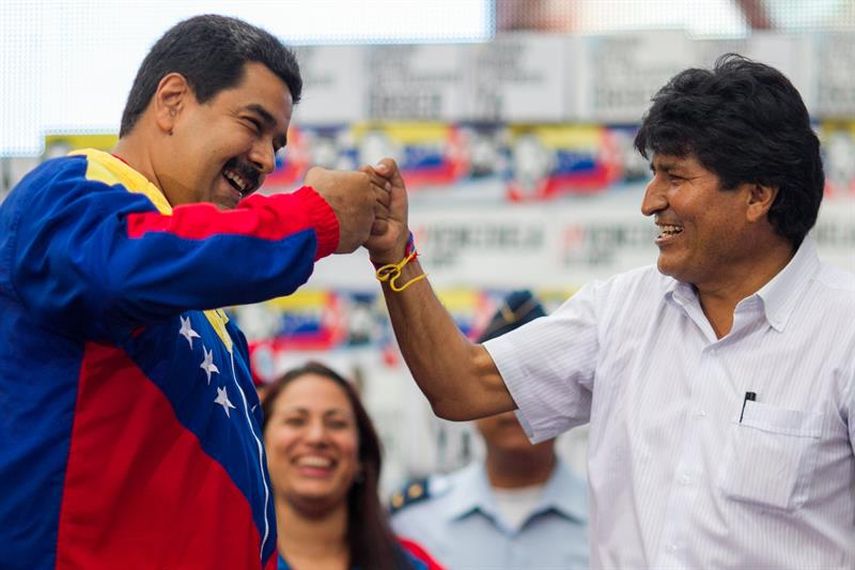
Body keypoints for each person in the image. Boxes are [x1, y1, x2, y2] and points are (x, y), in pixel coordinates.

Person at [365, 54, 855, 568]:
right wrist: (395, 254)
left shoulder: (843, 330)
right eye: (653, 175)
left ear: (757, 196)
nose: (650, 202)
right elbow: (459, 385)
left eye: (674, 177)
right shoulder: (619, 311)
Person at [0, 14, 391, 570]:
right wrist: (315, 217)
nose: (267, 160)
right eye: (253, 124)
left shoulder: (208, 312)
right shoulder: (69, 190)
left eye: (276, 143)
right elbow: (119, 268)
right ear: (172, 102)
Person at [389, 290, 588, 570]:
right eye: (499, 386)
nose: (515, 404)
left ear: (566, 397)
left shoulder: (613, 516)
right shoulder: (414, 521)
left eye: (534, 385)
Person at [261, 362, 443, 570]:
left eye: (336, 423)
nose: (317, 437)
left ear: (361, 453)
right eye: (296, 421)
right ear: (260, 443)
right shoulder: (231, 557)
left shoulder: (411, 564)